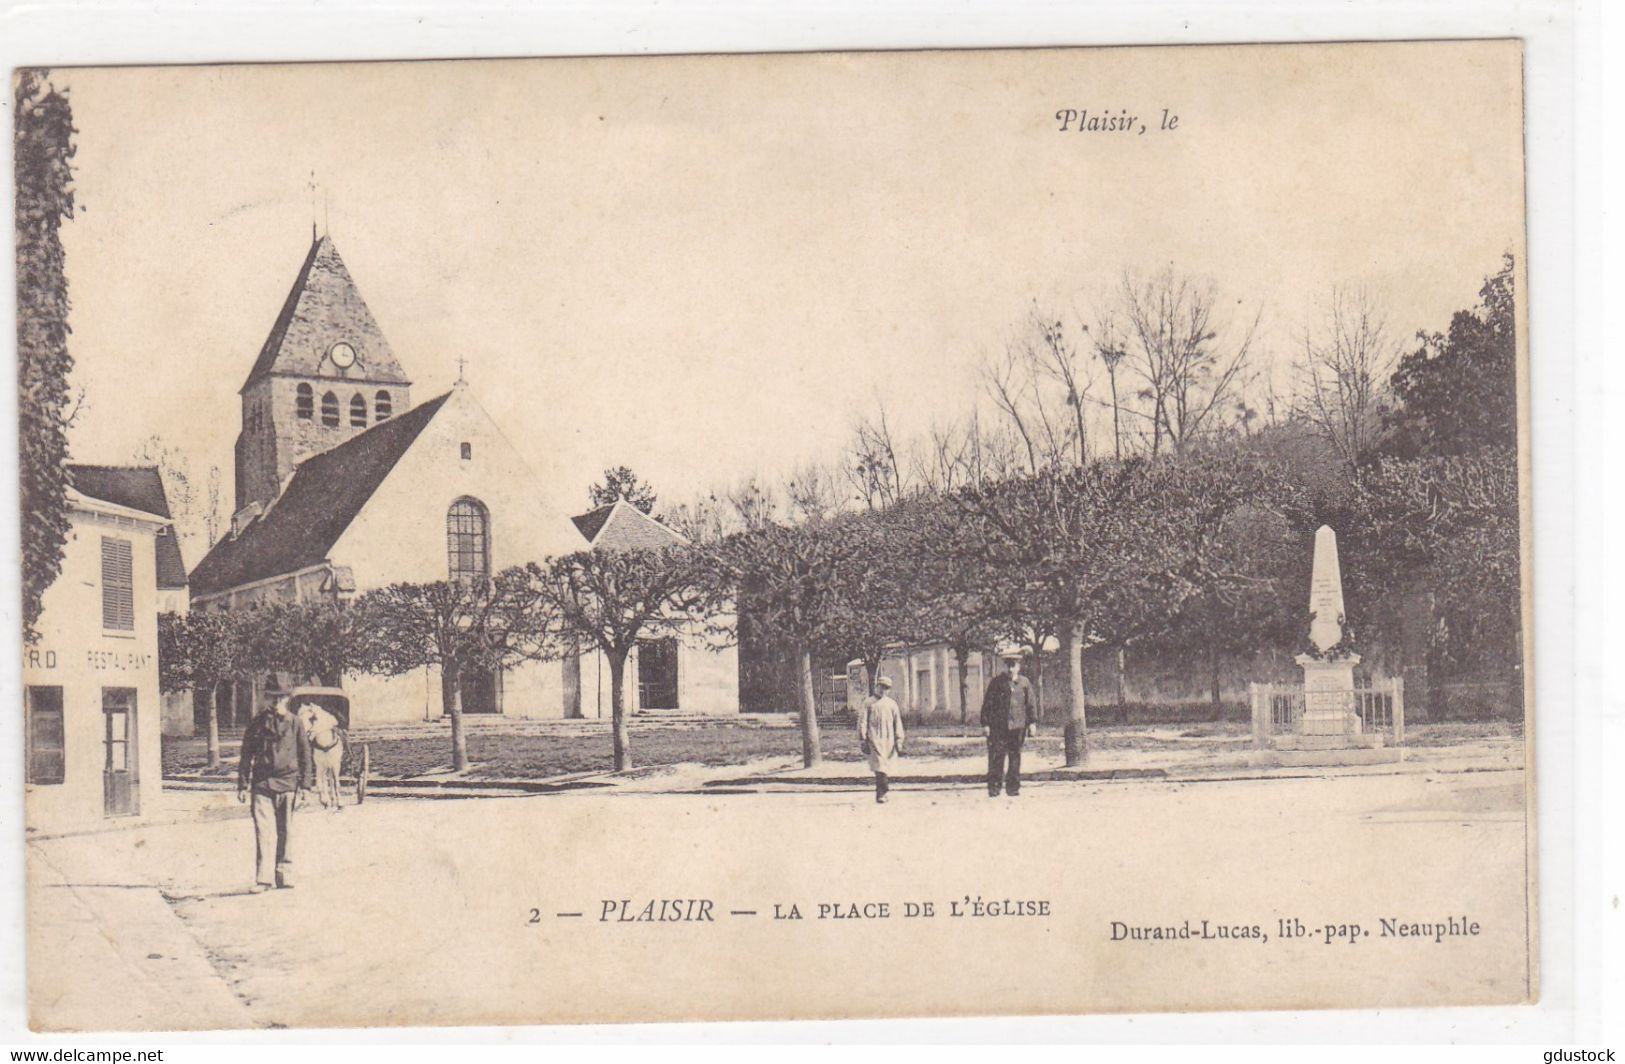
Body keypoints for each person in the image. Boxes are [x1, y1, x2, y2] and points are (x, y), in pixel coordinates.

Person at [237, 684, 314, 891]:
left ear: (287, 700)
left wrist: (306, 786)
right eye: (272, 698)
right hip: (262, 785)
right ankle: (263, 879)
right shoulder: (256, 725)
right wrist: (242, 784)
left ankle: (284, 875)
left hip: (288, 783)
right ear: (265, 699)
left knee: (286, 831)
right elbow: (246, 755)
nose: (276, 703)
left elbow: (305, 755)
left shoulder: (296, 723)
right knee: (264, 832)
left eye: (280, 699)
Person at [980, 650, 1037, 797]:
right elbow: (988, 704)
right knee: (996, 758)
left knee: (1015, 757)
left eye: (1014, 665)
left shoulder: (1024, 683)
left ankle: (1013, 788)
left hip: (1018, 726)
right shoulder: (997, 683)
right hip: (999, 727)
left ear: (1019, 667)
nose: (1011, 669)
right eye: (1008, 666)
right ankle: (994, 788)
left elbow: (1030, 704)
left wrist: (1032, 723)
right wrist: (986, 724)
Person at [858, 675, 905, 804]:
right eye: (881, 687)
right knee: (880, 768)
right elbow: (862, 722)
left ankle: (882, 792)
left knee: (884, 767)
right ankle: (882, 793)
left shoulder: (892, 704)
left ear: (889, 690)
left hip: (888, 740)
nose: (882, 690)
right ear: (876, 686)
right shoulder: (868, 703)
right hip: (873, 739)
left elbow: (898, 723)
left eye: (886, 688)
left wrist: (899, 740)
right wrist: (863, 739)